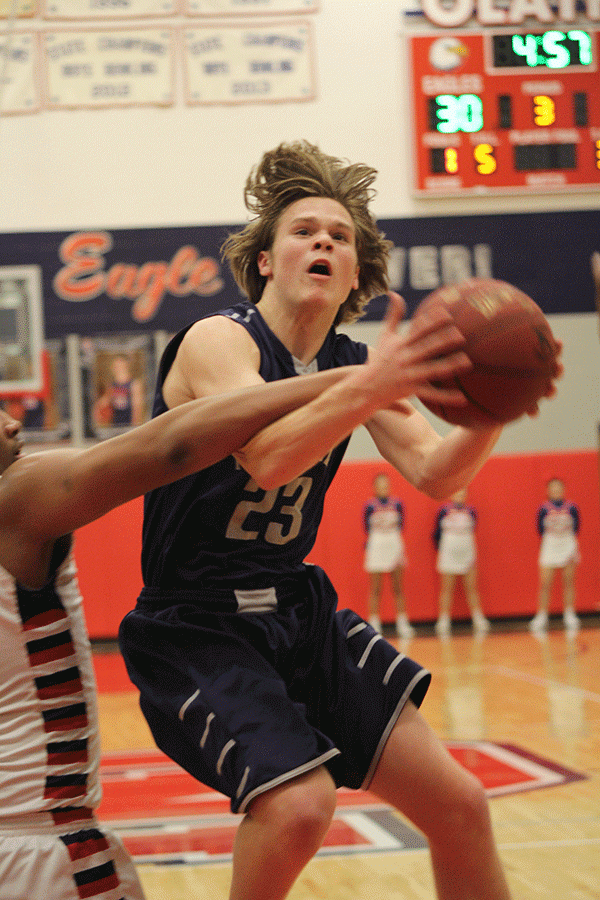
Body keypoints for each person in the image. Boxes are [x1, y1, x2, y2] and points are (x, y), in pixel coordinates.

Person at [119, 140, 560, 900]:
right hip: (195, 625)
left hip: (297, 611)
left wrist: (494, 408)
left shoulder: (356, 362)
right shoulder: (218, 341)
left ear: (355, 273)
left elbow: (436, 473)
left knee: (460, 805)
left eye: (341, 236)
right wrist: (372, 383)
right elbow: (267, 458)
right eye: (304, 230)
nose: (324, 240)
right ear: (265, 260)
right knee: (298, 807)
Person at [0, 364, 373, 900]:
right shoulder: (14, 499)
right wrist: (358, 379)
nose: (14, 424)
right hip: (37, 853)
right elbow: (171, 448)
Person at [433, 488, 490, 637]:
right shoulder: (443, 511)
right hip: (448, 554)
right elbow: (436, 534)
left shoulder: (471, 511)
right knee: (447, 589)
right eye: (457, 492)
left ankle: (478, 619)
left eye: (463, 493)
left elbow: (474, 528)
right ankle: (443, 620)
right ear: (451, 494)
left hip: (467, 554)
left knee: (472, 588)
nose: (460, 496)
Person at [363, 471, 414, 639]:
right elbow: (366, 527)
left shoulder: (398, 503)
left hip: (394, 543)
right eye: (380, 485)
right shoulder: (369, 506)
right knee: (375, 588)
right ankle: (374, 623)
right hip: (376, 544)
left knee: (398, 586)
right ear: (374, 487)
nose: (383, 488)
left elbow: (402, 524)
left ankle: (402, 623)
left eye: (386, 484)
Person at [530, 477, 581, 633]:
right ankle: (542, 616)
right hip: (550, 546)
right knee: (545, 583)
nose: (556, 491)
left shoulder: (572, 507)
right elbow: (539, 529)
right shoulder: (543, 508)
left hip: (567, 545)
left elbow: (577, 527)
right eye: (553, 488)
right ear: (548, 490)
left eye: (559, 488)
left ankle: (569, 614)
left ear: (563, 489)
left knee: (568, 581)